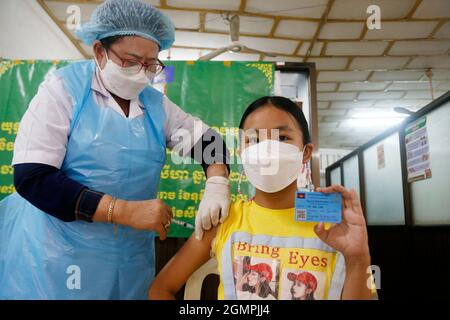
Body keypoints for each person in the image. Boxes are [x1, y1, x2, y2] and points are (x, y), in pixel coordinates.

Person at [0, 0, 230, 299]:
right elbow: (33, 178)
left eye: (151, 64)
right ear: (99, 51)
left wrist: (217, 181)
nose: (142, 73)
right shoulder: (63, 89)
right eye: (131, 61)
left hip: (129, 257)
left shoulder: (154, 104)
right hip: (57, 255)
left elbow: (206, 140)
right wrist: (123, 211)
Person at [149, 96, 376, 300]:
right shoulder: (225, 219)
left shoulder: (334, 223)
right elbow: (160, 289)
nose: (267, 149)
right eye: (254, 140)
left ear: (305, 152)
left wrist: (358, 259)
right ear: (241, 152)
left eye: (283, 137)